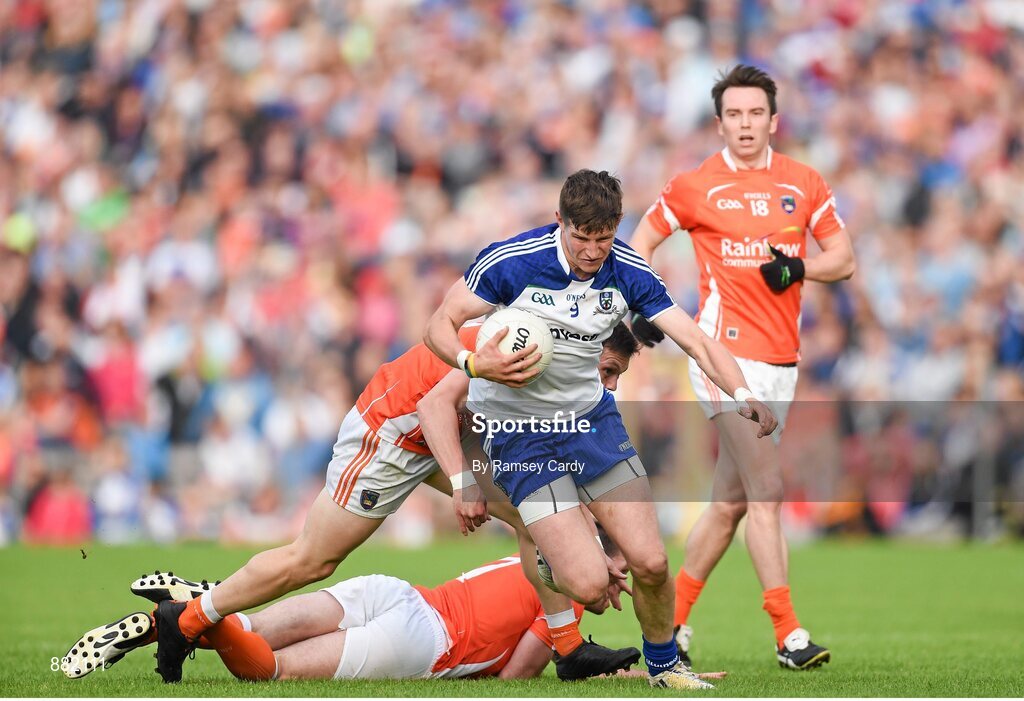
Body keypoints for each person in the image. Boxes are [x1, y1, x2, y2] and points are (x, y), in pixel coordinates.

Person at [422, 169, 778, 689]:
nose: (592, 251)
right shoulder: (512, 262)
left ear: (616, 228)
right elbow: (438, 325)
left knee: (652, 562)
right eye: (582, 237)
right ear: (561, 222)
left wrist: (744, 393)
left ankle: (664, 668)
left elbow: (696, 341)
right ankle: (552, 551)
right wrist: (474, 365)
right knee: (588, 585)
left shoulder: (628, 270)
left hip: (590, 422)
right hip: (518, 431)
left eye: (603, 238)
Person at [150, 323, 642, 683]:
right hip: (393, 430)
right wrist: (464, 484)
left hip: (442, 433)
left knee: (535, 514)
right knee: (312, 560)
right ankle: (187, 619)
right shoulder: (528, 347)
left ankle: (569, 648)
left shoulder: (561, 365)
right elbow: (433, 405)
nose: (611, 385)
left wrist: (588, 552)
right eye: (609, 370)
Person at [628, 64, 856, 670]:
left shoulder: (803, 182)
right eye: (734, 114)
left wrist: (800, 267)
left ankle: (669, 627)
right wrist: (653, 308)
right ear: (720, 122)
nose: (746, 123)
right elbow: (639, 245)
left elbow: (844, 257)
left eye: (756, 113)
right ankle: (788, 633)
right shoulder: (695, 185)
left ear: (773, 120)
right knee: (766, 491)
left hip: (783, 362)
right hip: (720, 357)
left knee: (728, 504)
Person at [62, 550, 641, 682]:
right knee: (266, 670)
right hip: (423, 640)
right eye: (616, 578)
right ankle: (192, 610)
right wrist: (626, 677)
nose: (616, 591)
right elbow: (515, 679)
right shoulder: (556, 603)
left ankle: (180, 612)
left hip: (395, 592)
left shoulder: (529, 548)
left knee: (252, 626)